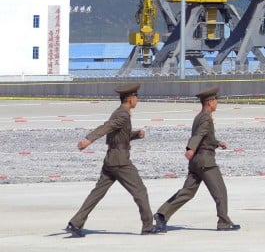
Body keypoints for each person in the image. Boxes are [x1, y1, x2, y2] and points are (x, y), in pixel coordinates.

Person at [66, 82, 156, 237]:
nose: (138, 100)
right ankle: (148, 226)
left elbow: (118, 136)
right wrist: (89, 140)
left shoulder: (119, 112)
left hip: (111, 159)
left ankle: (76, 222)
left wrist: (135, 135)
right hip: (120, 161)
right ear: (130, 99)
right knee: (140, 191)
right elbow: (107, 127)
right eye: (136, 97)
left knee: (97, 193)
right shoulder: (122, 114)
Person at [153, 86, 240, 232]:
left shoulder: (199, 116)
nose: (217, 103)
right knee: (220, 192)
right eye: (215, 100)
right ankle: (224, 222)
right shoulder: (206, 118)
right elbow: (198, 135)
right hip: (206, 161)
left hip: (196, 162)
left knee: (187, 192)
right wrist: (190, 148)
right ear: (209, 102)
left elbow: (204, 137)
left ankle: (162, 214)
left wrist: (217, 143)